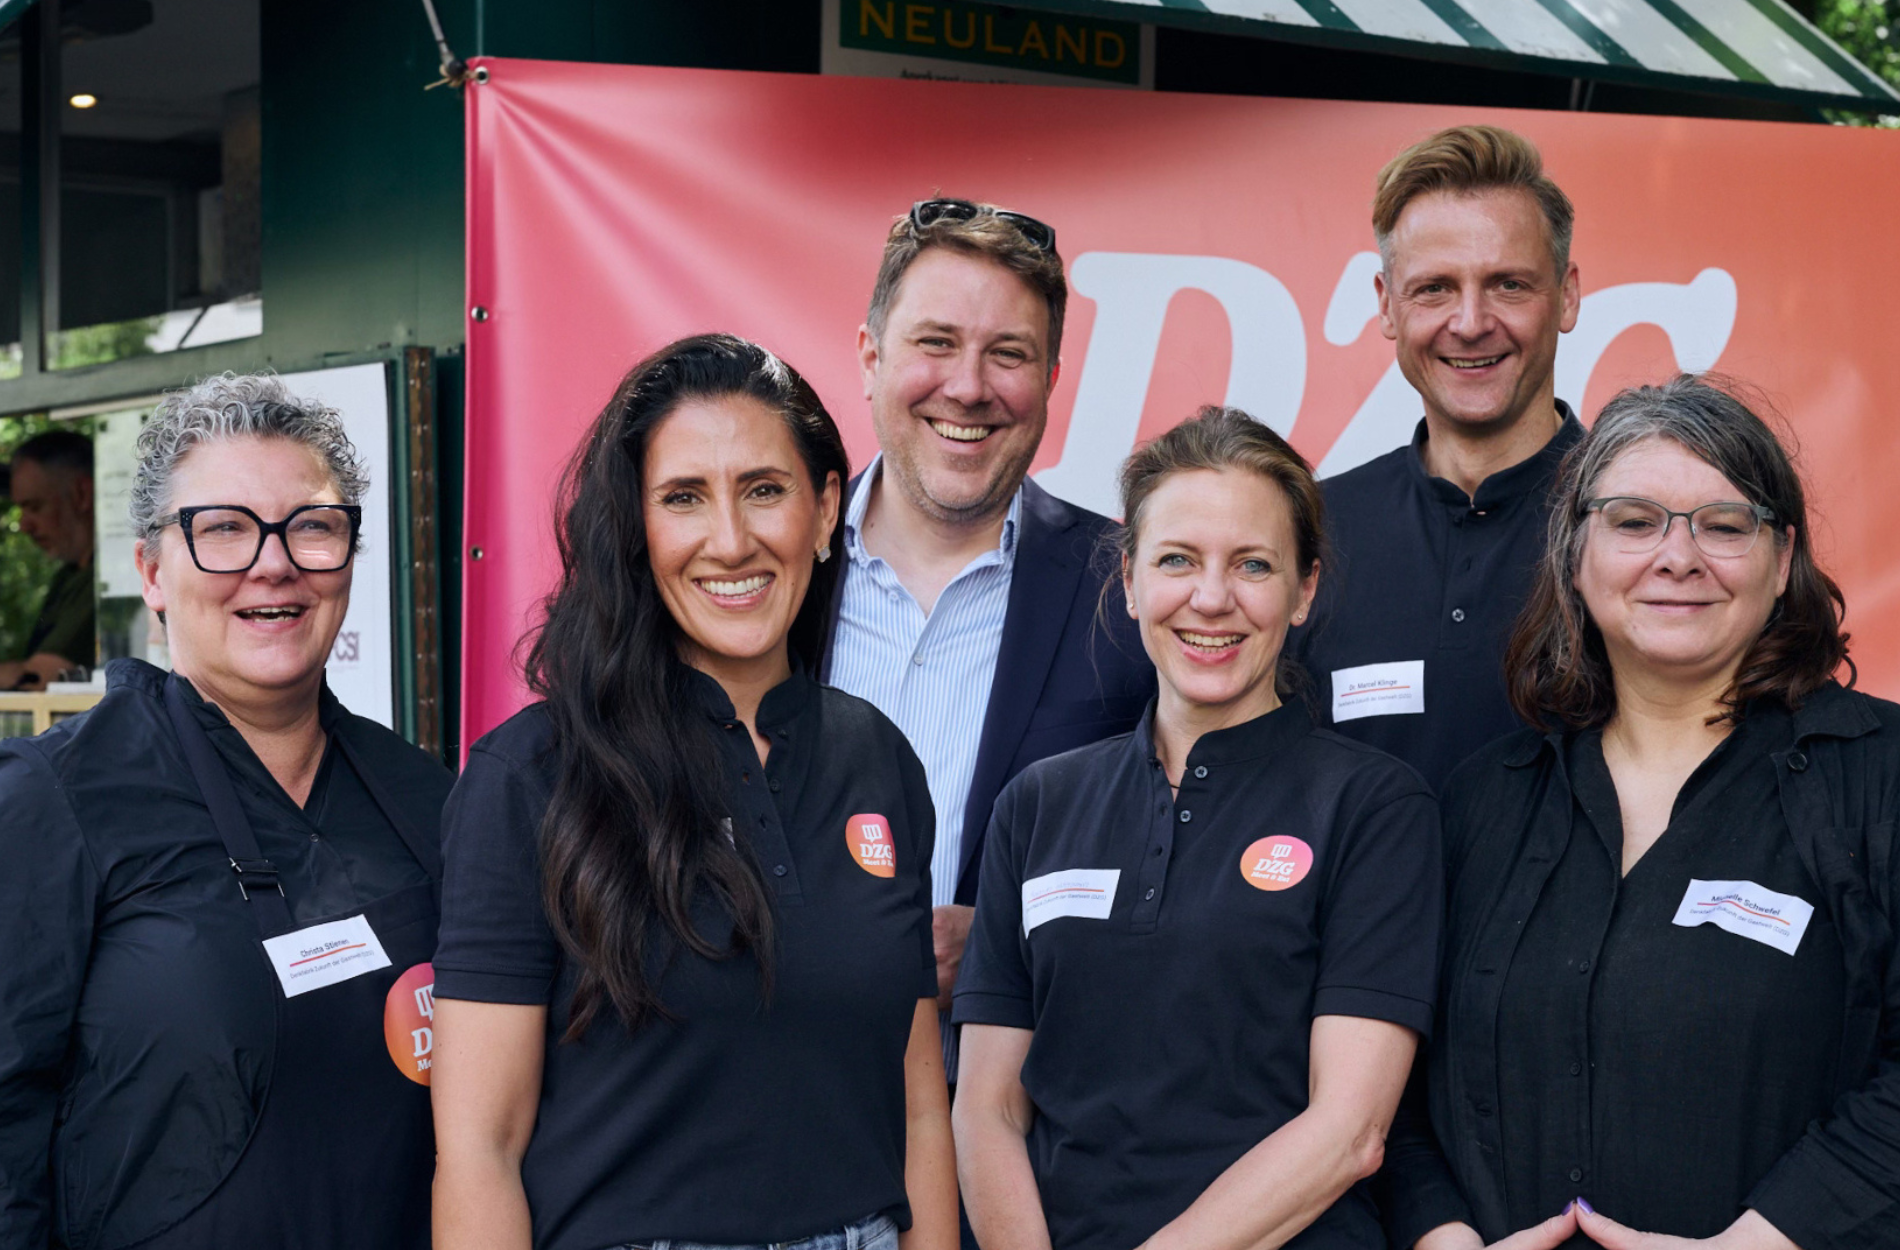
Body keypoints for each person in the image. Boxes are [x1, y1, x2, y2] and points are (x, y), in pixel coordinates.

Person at [430, 334, 958, 1250]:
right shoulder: (531, 777)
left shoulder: (880, 761)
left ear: (825, 510)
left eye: (765, 490)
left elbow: (916, 1112)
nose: (731, 540)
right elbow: (481, 1149)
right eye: (683, 498)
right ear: (636, 531)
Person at [1383, 376, 1900, 1250]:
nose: (1678, 556)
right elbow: (1391, 1085)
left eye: (1724, 525)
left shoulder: (1879, 777)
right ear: (1574, 555)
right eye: (1634, 522)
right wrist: (1444, 1238)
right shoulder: (1480, 802)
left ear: (1782, 562)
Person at [953, 407, 1442, 1250]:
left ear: (1304, 590)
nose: (1211, 599)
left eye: (1253, 564)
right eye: (1177, 559)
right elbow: (987, 1107)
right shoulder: (1036, 806)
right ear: (1130, 579)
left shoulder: (1375, 808)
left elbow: (1351, 1130)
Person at [0, 373, 453, 1249]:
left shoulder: (423, 797)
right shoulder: (53, 801)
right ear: (151, 572)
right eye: (223, 529)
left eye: (311, 526)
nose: (273, 563)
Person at [833, 198, 1155, 1074]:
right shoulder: (770, 575)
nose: (969, 387)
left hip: (1019, 1118)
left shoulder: (1129, 595)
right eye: (936, 343)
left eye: (1007, 353)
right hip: (777, 1104)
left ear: (1051, 378)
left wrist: (1007, 941)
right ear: (870, 356)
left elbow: (1198, 874)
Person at [1288, 125, 1583, 791]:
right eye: (1434, 289)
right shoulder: (1311, 528)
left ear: (1566, 295)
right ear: (1387, 305)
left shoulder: (1639, 529)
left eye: (1509, 284)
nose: (1471, 322)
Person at [2, 428, 97, 688]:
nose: (24, 526)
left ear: (81, 494)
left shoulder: (103, 579)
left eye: (35, 507)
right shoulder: (68, 576)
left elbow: (38, 678)